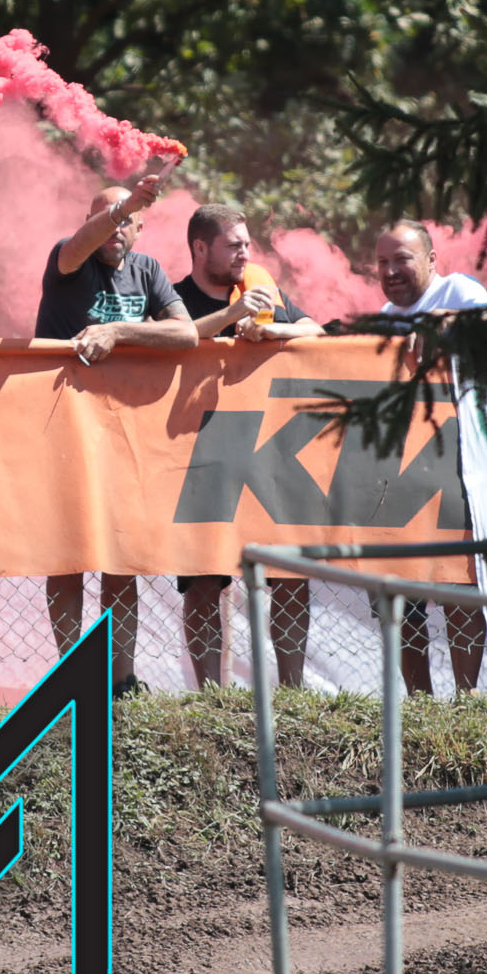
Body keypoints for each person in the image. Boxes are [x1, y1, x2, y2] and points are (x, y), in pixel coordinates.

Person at [34, 164, 196, 696]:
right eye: (106, 218)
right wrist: (123, 206)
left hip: (124, 431)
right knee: (68, 555)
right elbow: (78, 246)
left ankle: (120, 678)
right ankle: (69, 674)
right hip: (62, 427)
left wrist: (120, 331)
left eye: (127, 220)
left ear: (141, 229)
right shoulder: (68, 260)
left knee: (120, 556)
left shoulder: (147, 270)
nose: (117, 228)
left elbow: (186, 335)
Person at [174, 203, 319, 686]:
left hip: (269, 453)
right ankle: (211, 694)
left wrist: (272, 328)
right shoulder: (173, 299)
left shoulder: (261, 290)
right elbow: (165, 339)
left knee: (289, 573)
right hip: (199, 455)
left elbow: (315, 331)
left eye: (247, 244)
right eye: (234, 245)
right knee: (202, 581)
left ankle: (293, 691)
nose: (245, 254)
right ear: (200, 248)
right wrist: (232, 317)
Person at [370, 220, 487, 318]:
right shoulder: (387, 314)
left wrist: (449, 320)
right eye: (383, 262)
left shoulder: (456, 289)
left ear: (431, 260)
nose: (390, 271)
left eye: (402, 259)